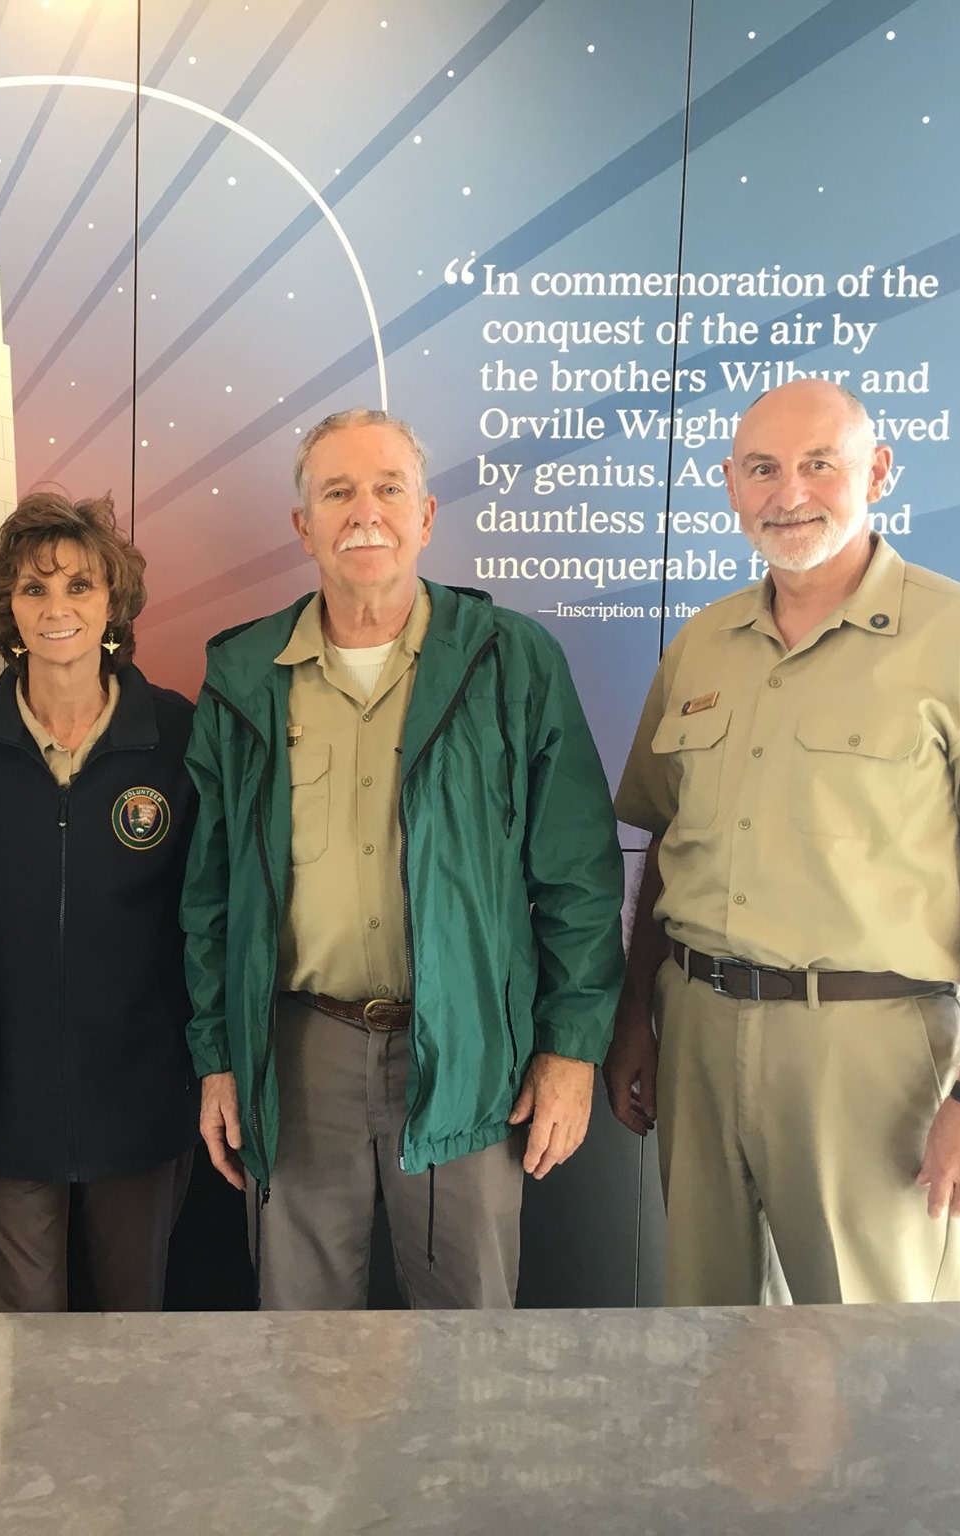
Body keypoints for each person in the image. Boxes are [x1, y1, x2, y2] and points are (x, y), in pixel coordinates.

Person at [605, 379, 960, 1305]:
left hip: (869, 1056)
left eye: (817, 465)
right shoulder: (702, 645)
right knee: (701, 1335)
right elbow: (668, 849)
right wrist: (638, 1017)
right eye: (762, 469)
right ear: (729, 484)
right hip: (699, 1038)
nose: (788, 492)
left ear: (876, 471)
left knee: (883, 1363)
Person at [182, 408, 624, 1310]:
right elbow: (211, 895)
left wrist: (571, 1052)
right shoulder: (243, 675)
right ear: (302, 525)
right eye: (337, 492)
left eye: (389, 488)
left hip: (467, 1049)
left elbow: (578, 876)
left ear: (426, 517)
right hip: (296, 1054)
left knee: (471, 1344)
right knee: (300, 1347)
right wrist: (219, 1056)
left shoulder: (511, 662)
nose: (364, 511)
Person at [0, 492, 197, 1312]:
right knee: (13, 1349)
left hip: (145, 1097)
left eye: (79, 587)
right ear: (7, 607)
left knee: (132, 1336)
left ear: (112, 603)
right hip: (3, 1100)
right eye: (34, 589)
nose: (56, 609)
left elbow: (208, 918)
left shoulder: (180, 736)